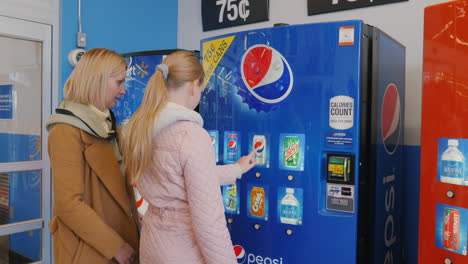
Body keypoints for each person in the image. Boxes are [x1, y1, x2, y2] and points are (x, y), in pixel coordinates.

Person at [121, 50, 257, 264]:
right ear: (194, 85)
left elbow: (180, 179)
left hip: (153, 244)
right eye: (201, 89)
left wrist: (236, 169)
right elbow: (208, 222)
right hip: (183, 250)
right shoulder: (190, 135)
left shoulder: (141, 128)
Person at [46, 48, 140, 264]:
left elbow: (122, 185)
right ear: (97, 81)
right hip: (92, 248)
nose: (123, 90)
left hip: (119, 237)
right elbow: (68, 205)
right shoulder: (65, 130)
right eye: (119, 82)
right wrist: (115, 246)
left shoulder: (108, 124)